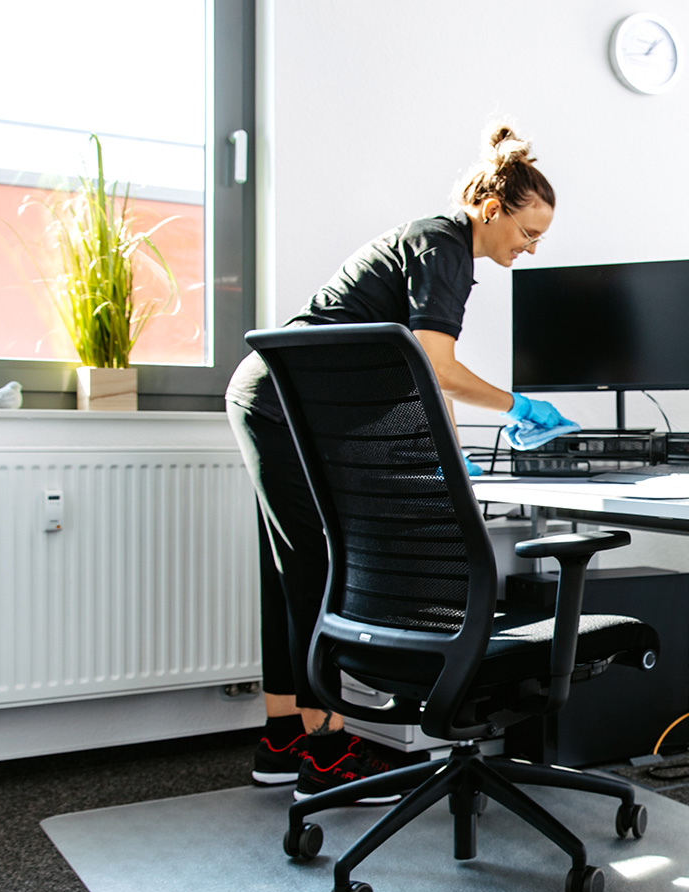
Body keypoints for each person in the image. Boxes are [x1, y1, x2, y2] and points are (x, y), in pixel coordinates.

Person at [225, 124, 572, 802]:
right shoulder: (445, 247)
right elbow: (437, 366)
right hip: (283, 404)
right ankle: (326, 751)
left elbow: (421, 376)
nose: (531, 249)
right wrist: (517, 406)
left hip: (272, 396)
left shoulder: (433, 242)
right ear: (492, 209)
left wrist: (448, 457)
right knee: (314, 568)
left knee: (290, 566)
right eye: (529, 233)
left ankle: (281, 739)